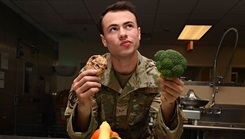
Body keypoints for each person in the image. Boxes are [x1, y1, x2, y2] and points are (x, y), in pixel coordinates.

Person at [65, 1, 185, 139]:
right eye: (113, 29)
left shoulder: (157, 76)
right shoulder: (89, 76)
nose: (122, 34)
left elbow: (168, 137)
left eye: (129, 26)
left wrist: (168, 104)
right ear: (104, 40)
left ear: (138, 33)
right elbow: (77, 136)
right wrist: (83, 106)